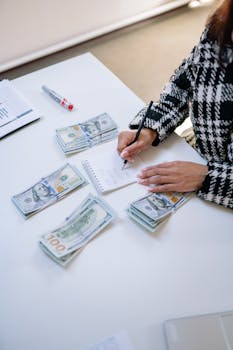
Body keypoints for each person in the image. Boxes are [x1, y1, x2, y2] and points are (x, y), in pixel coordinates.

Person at [117, 0, 233, 210]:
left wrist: (209, 178)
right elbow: (183, 84)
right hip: (201, 154)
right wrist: (151, 128)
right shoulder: (223, 24)